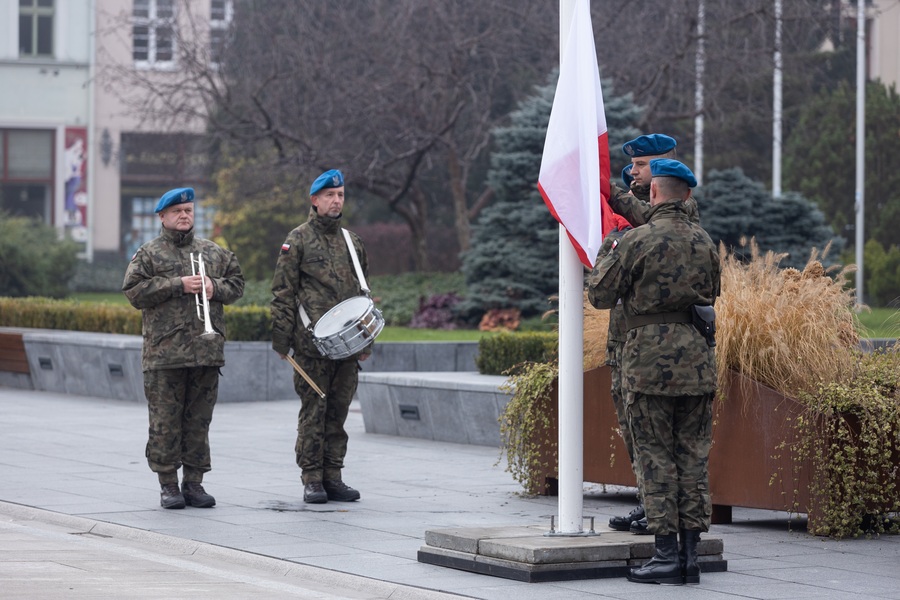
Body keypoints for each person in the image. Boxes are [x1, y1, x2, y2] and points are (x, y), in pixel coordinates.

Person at [588, 159, 720, 585]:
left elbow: (601, 294)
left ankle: (665, 556)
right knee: (693, 459)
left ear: (656, 193)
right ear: (686, 195)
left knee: (656, 457)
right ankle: (690, 558)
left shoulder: (637, 240)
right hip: (697, 363)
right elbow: (712, 290)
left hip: (648, 365)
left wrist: (609, 247)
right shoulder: (704, 241)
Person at [123, 187, 245, 510]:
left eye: (188, 210)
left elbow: (237, 284)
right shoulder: (148, 254)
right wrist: (178, 285)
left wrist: (213, 286)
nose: (184, 216)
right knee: (165, 421)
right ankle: (168, 484)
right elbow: (133, 290)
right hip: (165, 355)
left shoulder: (214, 253)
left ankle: (194, 483)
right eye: (177, 211)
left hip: (205, 352)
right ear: (162, 217)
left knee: (198, 421)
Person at [605, 134, 700, 536]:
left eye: (641, 165)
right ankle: (647, 502)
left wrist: (605, 188)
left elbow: (651, 222)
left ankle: (661, 516)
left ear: (661, 168)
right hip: (626, 337)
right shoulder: (640, 202)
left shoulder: (681, 207)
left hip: (656, 348)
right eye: (632, 165)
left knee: (656, 438)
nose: (632, 171)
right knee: (632, 429)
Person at [271, 169, 372, 504]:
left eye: (340, 194)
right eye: (329, 195)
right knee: (314, 410)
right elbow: (283, 292)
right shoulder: (297, 240)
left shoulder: (352, 241)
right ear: (315, 200)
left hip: (346, 345)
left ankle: (334, 475)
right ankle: (312, 477)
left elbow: (363, 293)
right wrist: (281, 339)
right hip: (310, 345)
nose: (336, 200)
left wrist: (366, 339)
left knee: (339, 412)